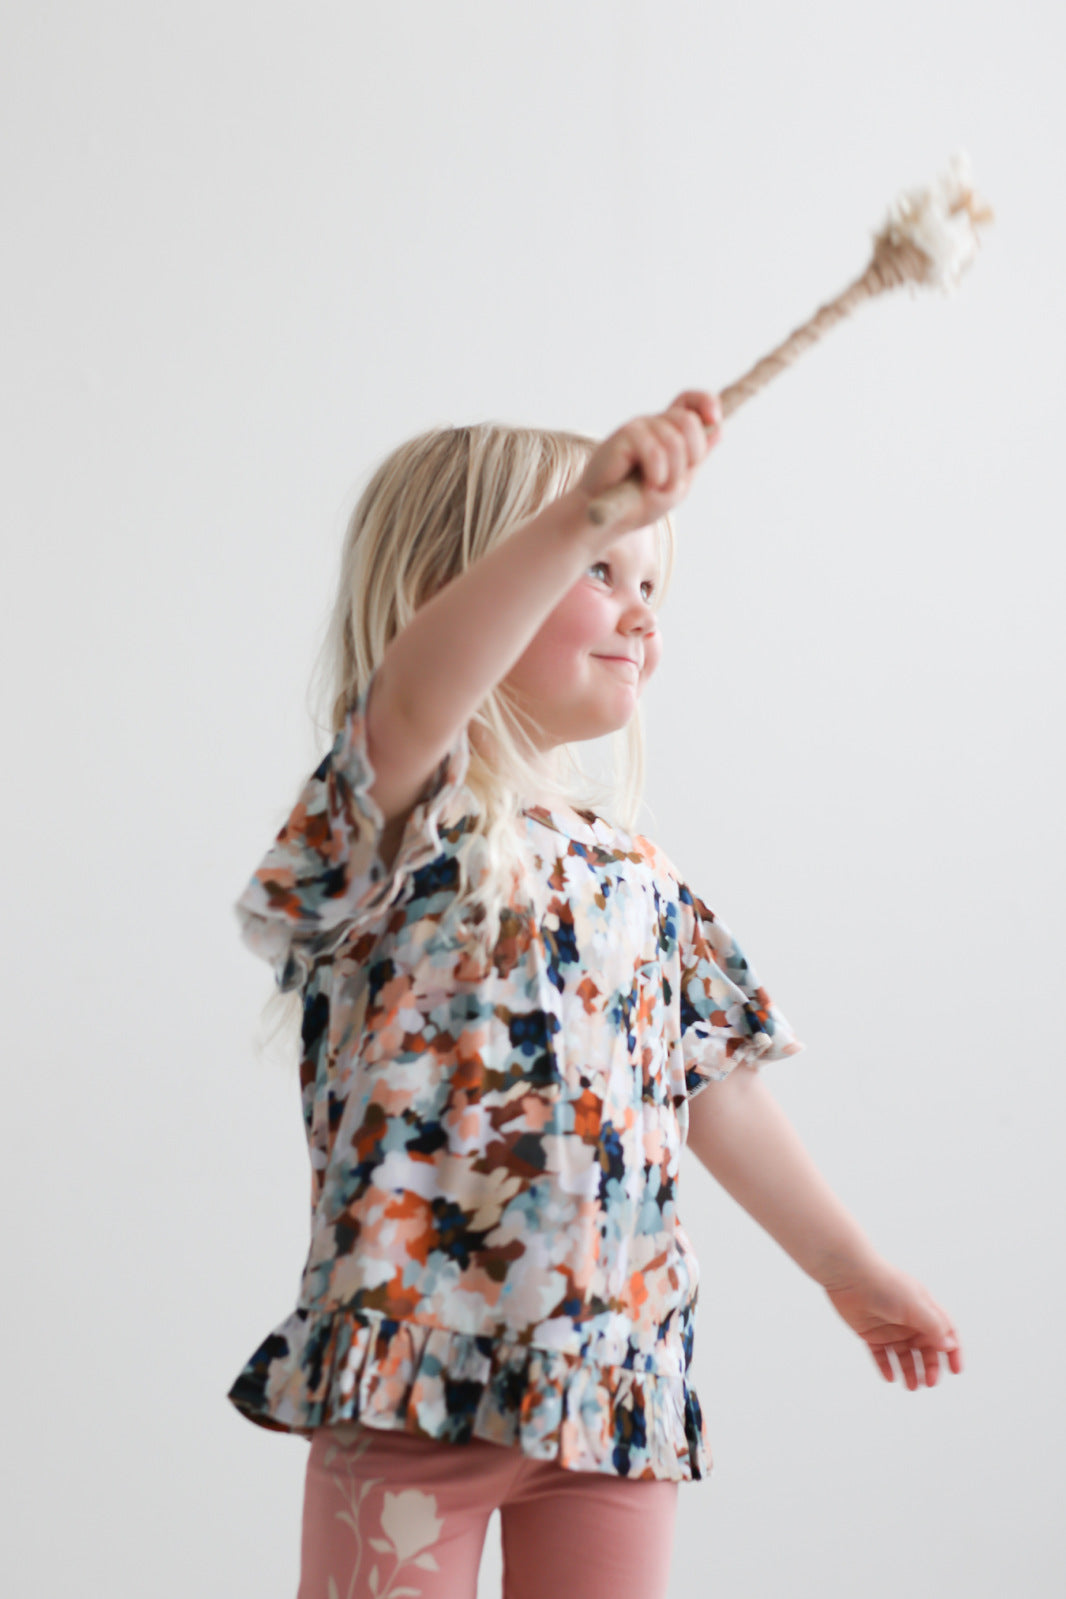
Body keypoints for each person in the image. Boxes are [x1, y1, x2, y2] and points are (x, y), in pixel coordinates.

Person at [226, 391, 963, 1599]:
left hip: (611, 1381)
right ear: (454, 590)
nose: (639, 612)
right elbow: (418, 694)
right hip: (416, 1374)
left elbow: (713, 1092)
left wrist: (848, 1267)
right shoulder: (390, 822)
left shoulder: (635, 875)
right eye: (598, 570)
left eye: (651, 585)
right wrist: (576, 514)